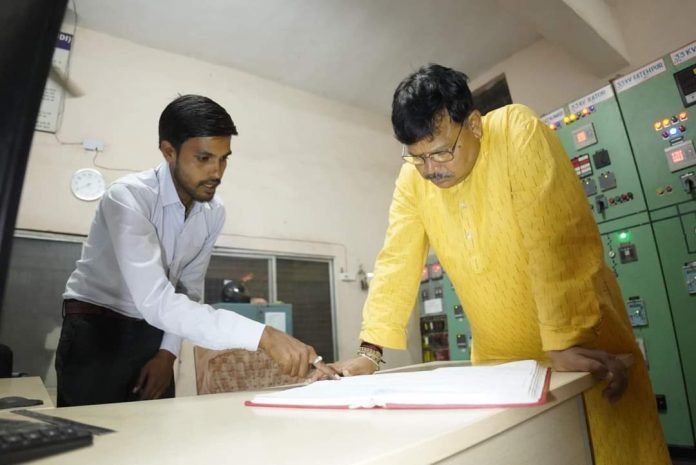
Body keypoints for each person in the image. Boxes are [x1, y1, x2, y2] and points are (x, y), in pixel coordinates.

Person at [320, 65, 669, 464]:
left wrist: (565, 340)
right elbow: (396, 260)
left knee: (612, 449)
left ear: (474, 124)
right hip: (502, 364)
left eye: (441, 152)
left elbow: (556, 236)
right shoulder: (412, 181)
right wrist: (370, 353)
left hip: (580, 343)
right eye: (417, 157)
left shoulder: (516, 130)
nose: (430, 169)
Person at [56, 95, 336, 406]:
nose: (217, 172)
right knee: (89, 430)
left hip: (156, 328)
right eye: (204, 158)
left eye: (224, 158)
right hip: (96, 326)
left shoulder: (213, 212)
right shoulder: (127, 198)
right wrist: (264, 336)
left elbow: (187, 290)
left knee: (154, 429)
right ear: (169, 151)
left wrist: (167, 354)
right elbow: (156, 300)